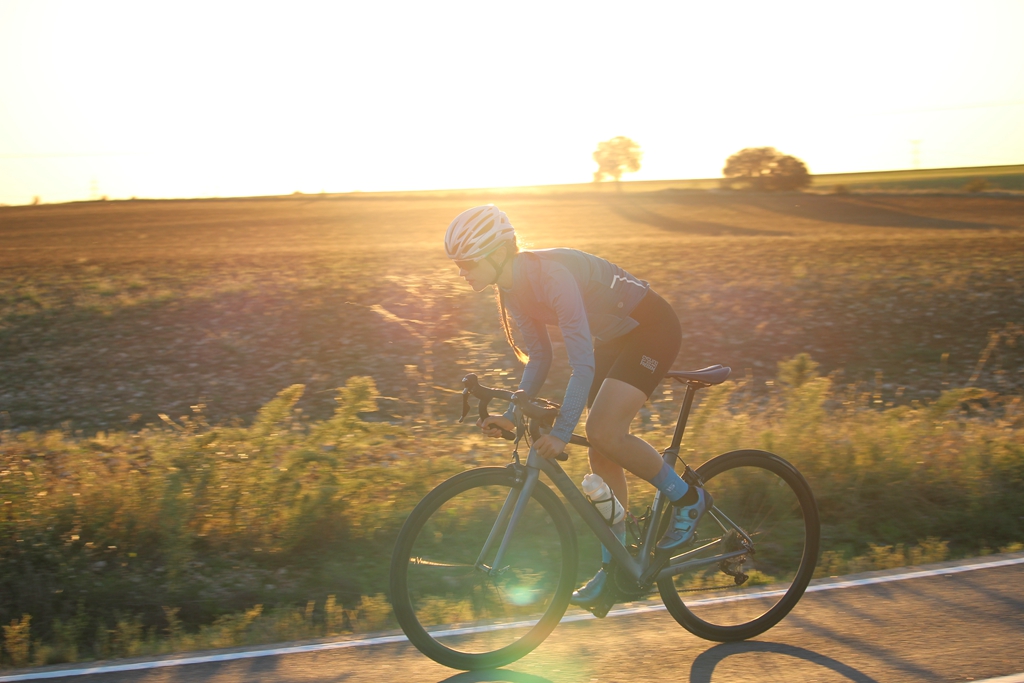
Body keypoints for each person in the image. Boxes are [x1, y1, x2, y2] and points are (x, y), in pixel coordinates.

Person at [444, 205, 712, 608]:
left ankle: (688, 497)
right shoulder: (511, 288)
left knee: (604, 431)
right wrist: (512, 415)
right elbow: (539, 358)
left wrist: (561, 432)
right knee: (601, 460)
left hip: (650, 329)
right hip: (613, 339)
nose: (462, 272)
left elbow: (581, 362)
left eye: (466, 262)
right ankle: (617, 568)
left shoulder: (551, 275)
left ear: (498, 252)